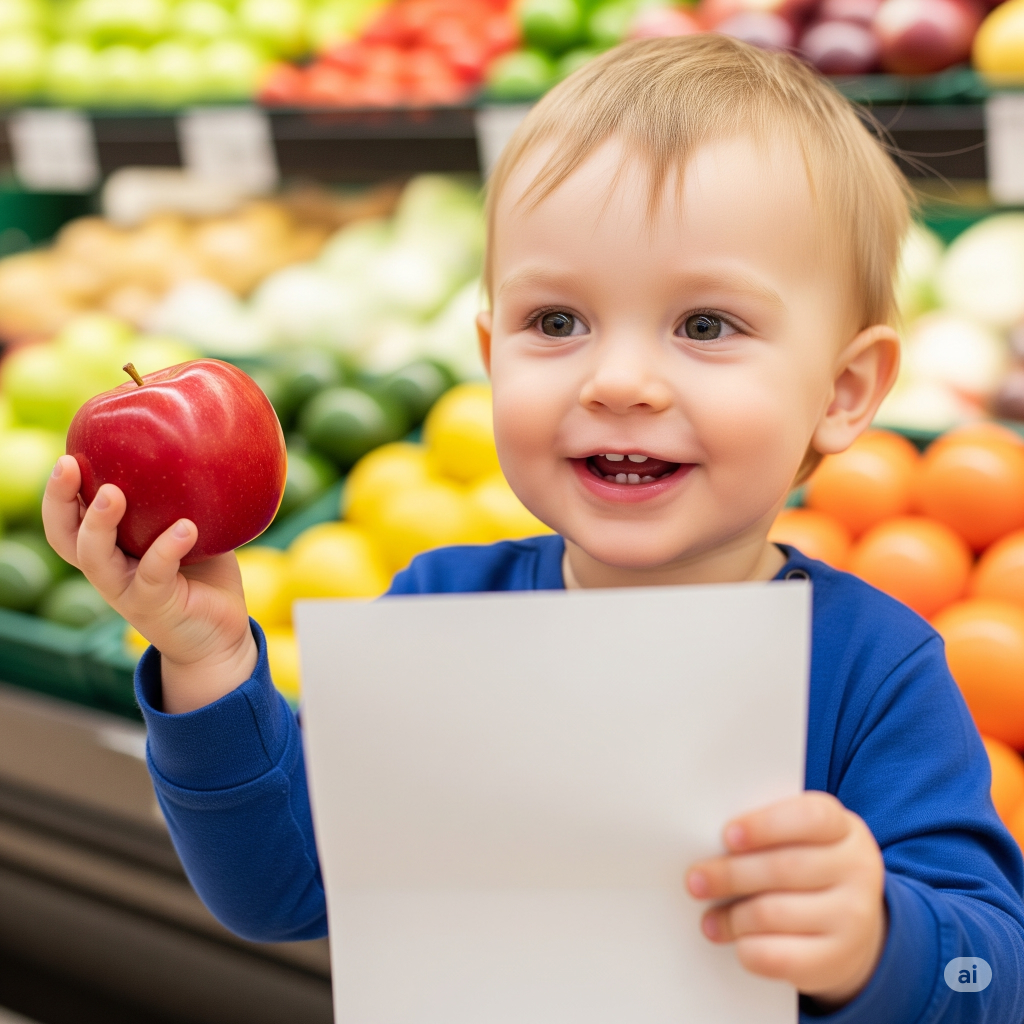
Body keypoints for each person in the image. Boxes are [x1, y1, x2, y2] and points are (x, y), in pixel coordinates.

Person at [43, 34, 1024, 1023]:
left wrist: (878, 941)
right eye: (556, 323)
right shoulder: (440, 617)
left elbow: (992, 977)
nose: (619, 381)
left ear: (843, 391)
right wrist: (207, 658)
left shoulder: (875, 673)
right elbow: (287, 888)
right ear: (488, 353)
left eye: (705, 325)